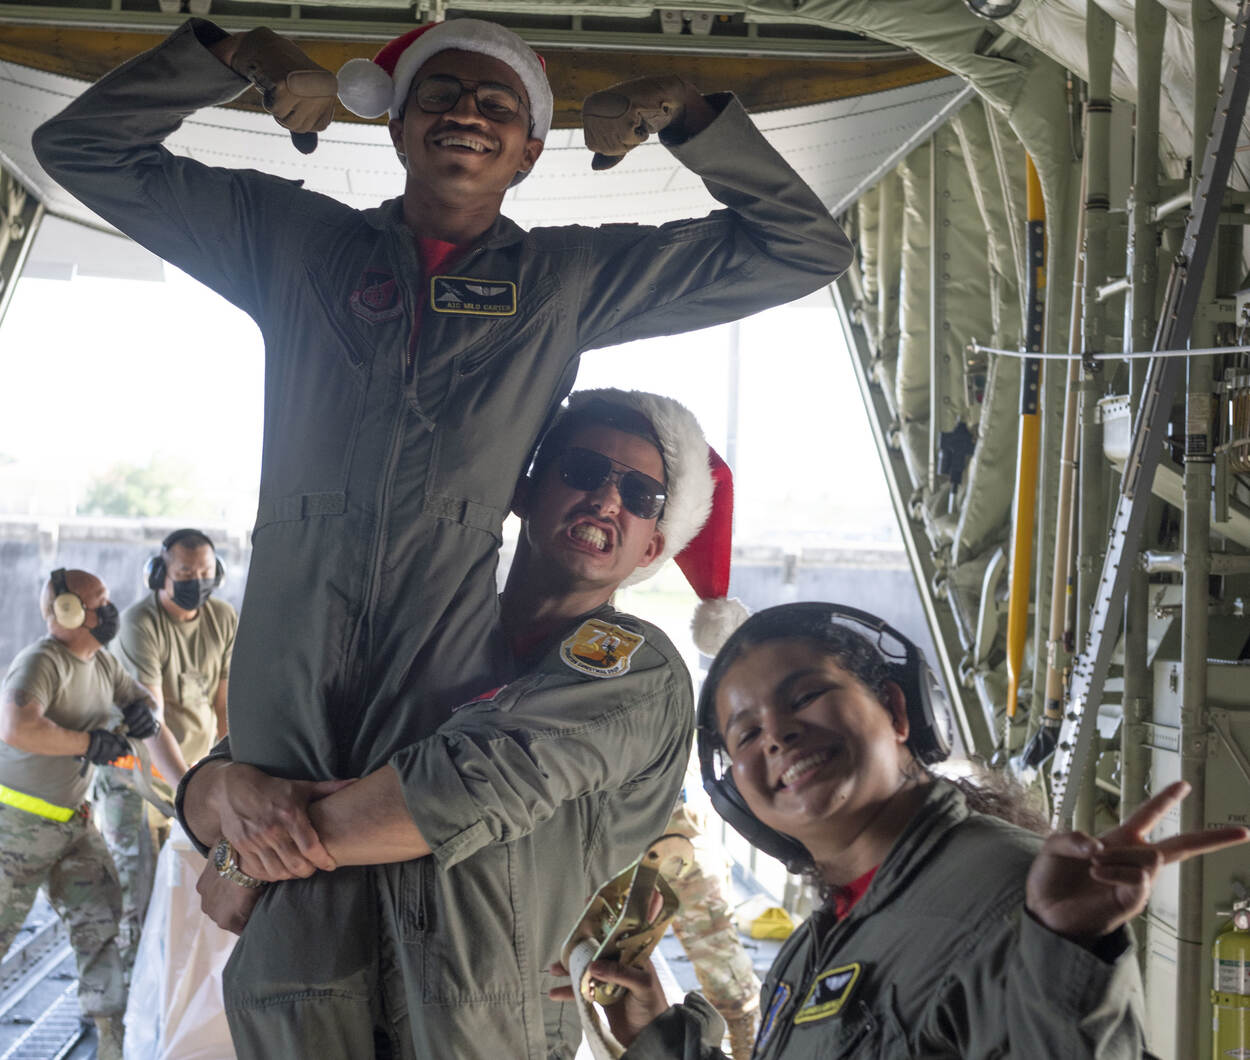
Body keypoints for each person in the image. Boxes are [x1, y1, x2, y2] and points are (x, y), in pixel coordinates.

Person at [32, 19, 850, 1055]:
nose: (467, 113)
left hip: (452, 938)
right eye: (442, 93)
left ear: (530, 152)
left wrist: (685, 114)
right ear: (396, 123)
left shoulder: (562, 282)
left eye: (498, 105)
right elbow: (82, 150)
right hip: (300, 881)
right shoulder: (298, 245)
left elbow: (803, 246)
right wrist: (232, 57)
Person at [176, 389, 743, 1057]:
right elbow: (253, 760)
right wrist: (222, 793)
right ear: (524, 492)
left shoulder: (637, 671)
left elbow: (462, 787)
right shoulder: (419, 634)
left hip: (478, 1038)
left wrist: (252, 852)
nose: (607, 500)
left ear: (654, 546)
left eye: (641, 496)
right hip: (314, 1024)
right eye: (583, 470)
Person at [559, 602, 1250, 1059]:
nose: (778, 734)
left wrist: (1065, 947)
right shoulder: (814, 945)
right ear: (737, 795)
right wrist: (655, 1035)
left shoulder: (1015, 895)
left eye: (805, 696)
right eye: (746, 733)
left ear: (895, 710)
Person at [0, 569, 162, 1060]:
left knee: (101, 925)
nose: (110, 610)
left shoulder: (101, 662)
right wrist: (89, 742)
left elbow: (136, 695)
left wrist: (144, 710)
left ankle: (111, 1042)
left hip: (73, 824)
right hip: (15, 830)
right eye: (99, 602)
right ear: (67, 612)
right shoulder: (42, 662)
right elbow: (17, 727)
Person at [93, 528, 237, 980]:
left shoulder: (223, 618)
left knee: (182, 899)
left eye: (205, 572)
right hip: (135, 778)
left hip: (189, 777)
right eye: (185, 573)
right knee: (136, 900)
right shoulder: (141, 623)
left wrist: (226, 774)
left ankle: (168, 998)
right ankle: (127, 1005)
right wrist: (190, 793)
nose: (197, 581)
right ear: (159, 574)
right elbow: (149, 721)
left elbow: (224, 705)